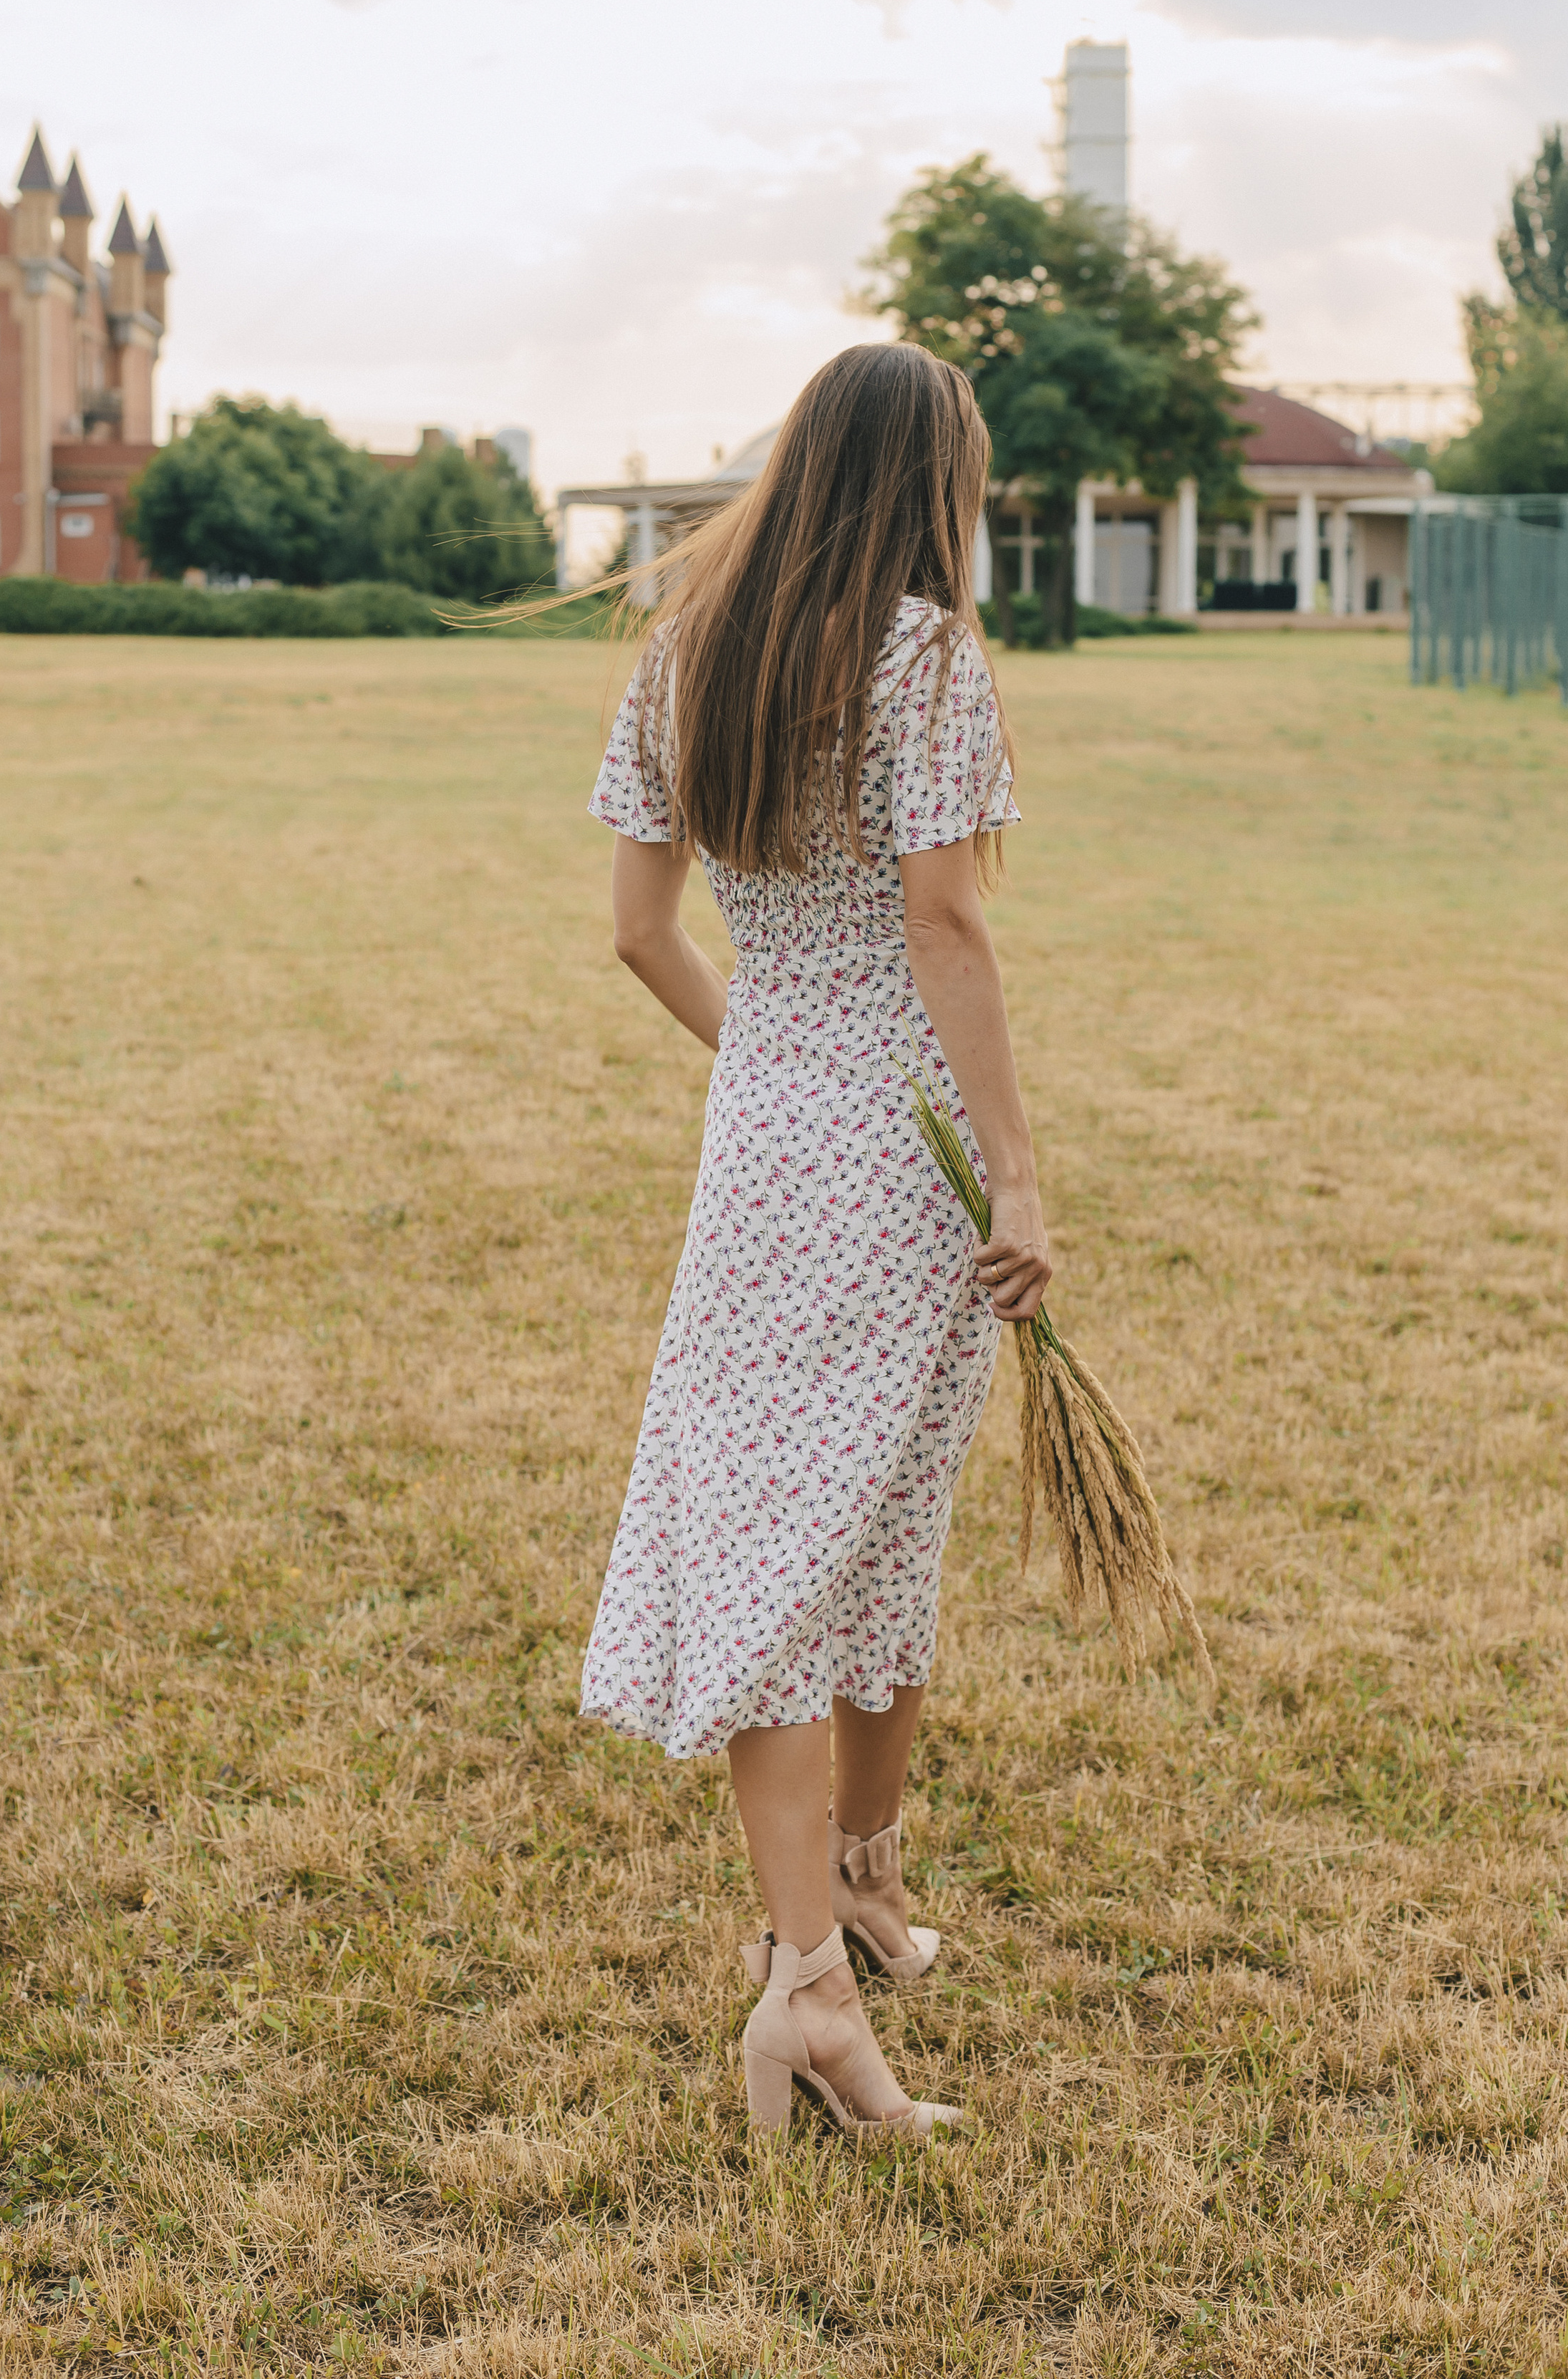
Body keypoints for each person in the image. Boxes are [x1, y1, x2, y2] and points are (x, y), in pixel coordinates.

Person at [581, 340, 1052, 2143]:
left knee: (845, 1522)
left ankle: (858, 1882)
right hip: (894, 1154)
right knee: (820, 1548)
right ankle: (806, 1993)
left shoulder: (686, 642)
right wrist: (1013, 1171)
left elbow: (638, 930)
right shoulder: (926, 654)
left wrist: (773, 1057)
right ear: (930, 477)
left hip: (764, 1135)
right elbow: (944, 920)